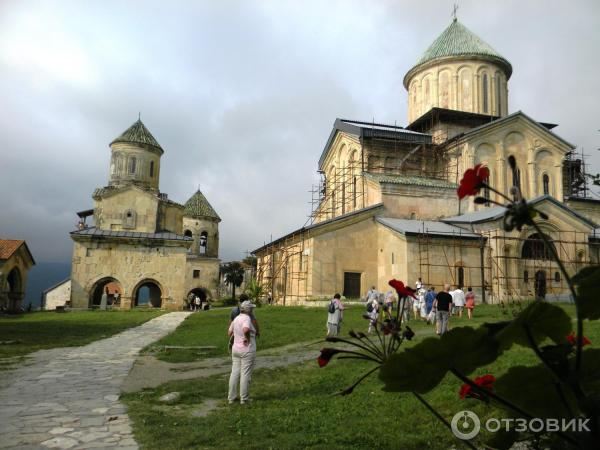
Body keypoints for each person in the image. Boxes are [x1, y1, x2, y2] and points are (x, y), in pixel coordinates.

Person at [228, 300, 257, 405]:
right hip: (247, 349)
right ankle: (244, 398)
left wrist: (237, 337)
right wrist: (247, 338)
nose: (253, 310)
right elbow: (245, 329)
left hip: (235, 349)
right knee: (245, 374)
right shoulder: (247, 318)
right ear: (248, 309)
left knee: (234, 373)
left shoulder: (236, 318)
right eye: (252, 308)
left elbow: (229, 332)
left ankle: (231, 397)